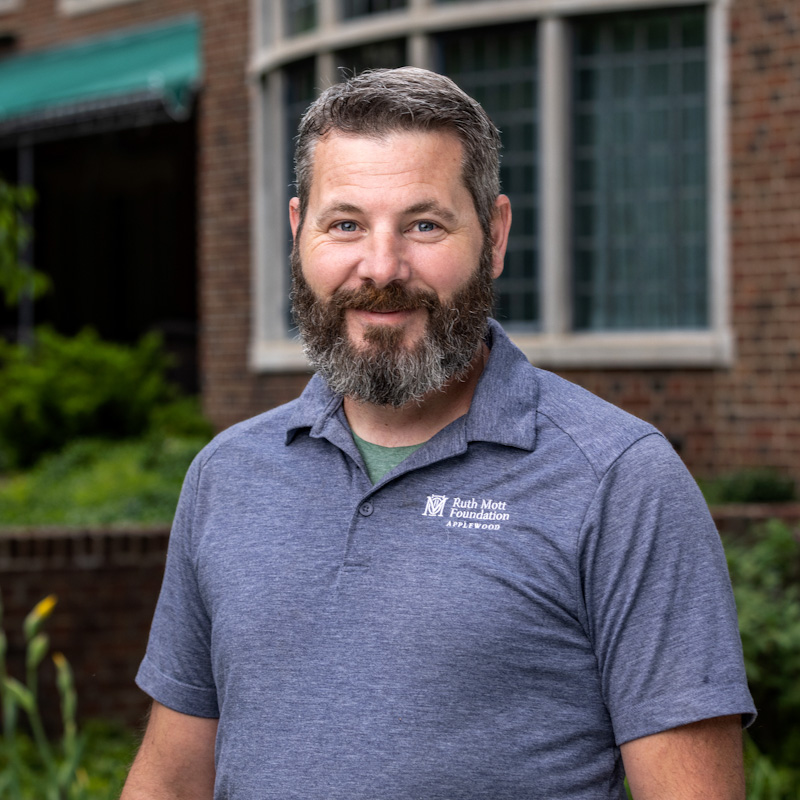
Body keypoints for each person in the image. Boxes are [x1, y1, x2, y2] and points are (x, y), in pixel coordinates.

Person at [121, 67, 755, 800]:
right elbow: (170, 780)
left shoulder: (619, 481)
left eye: (425, 225)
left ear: (495, 235)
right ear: (299, 233)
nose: (381, 268)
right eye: (346, 223)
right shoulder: (227, 475)